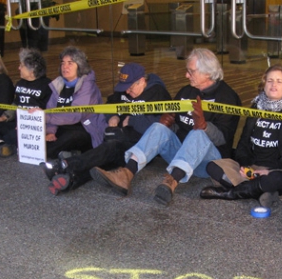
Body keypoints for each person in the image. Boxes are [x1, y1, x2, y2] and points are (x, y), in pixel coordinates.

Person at [90, 48, 241, 206]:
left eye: (191, 71)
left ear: (207, 72)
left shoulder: (227, 97)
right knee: (159, 126)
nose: (186, 75)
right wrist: (168, 123)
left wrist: (205, 127)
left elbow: (224, 139)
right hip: (181, 154)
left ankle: (172, 181)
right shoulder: (186, 91)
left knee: (198, 133)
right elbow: (176, 125)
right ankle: (126, 173)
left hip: (209, 162)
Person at [41, 62, 171, 195]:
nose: (127, 91)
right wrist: (113, 116)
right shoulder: (124, 91)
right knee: (104, 161)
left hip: (141, 147)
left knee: (109, 150)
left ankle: (65, 165)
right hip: (119, 137)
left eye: (130, 87)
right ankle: (71, 179)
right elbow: (109, 105)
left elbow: (160, 128)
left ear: (142, 81)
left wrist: (132, 120)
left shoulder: (158, 94)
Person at [199, 65, 282, 207]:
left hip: (277, 170)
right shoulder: (255, 109)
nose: (273, 85)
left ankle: (232, 193)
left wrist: (268, 171)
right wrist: (245, 166)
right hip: (252, 167)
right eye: (270, 81)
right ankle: (259, 190)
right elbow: (243, 142)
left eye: (279, 81)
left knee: (278, 179)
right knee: (212, 166)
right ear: (264, 85)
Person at [0, 48, 51, 157]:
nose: (18, 68)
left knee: (11, 135)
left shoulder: (47, 85)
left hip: (33, 126)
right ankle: (2, 144)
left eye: (21, 66)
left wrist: (26, 124)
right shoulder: (20, 83)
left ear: (31, 70)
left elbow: (49, 110)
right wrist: (5, 117)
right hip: (17, 123)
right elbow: (16, 104)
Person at [42, 46, 105, 159]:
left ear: (80, 66)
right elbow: (50, 110)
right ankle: (70, 155)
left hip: (84, 129)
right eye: (63, 63)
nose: (65, 67)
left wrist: (47, 118)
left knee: (55, 146)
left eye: (70, 63)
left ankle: (70, 155)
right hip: (62, 127)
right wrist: (50, 131)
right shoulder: (58, 84)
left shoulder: (88, 86)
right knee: (43, 141)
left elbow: (76, 115)